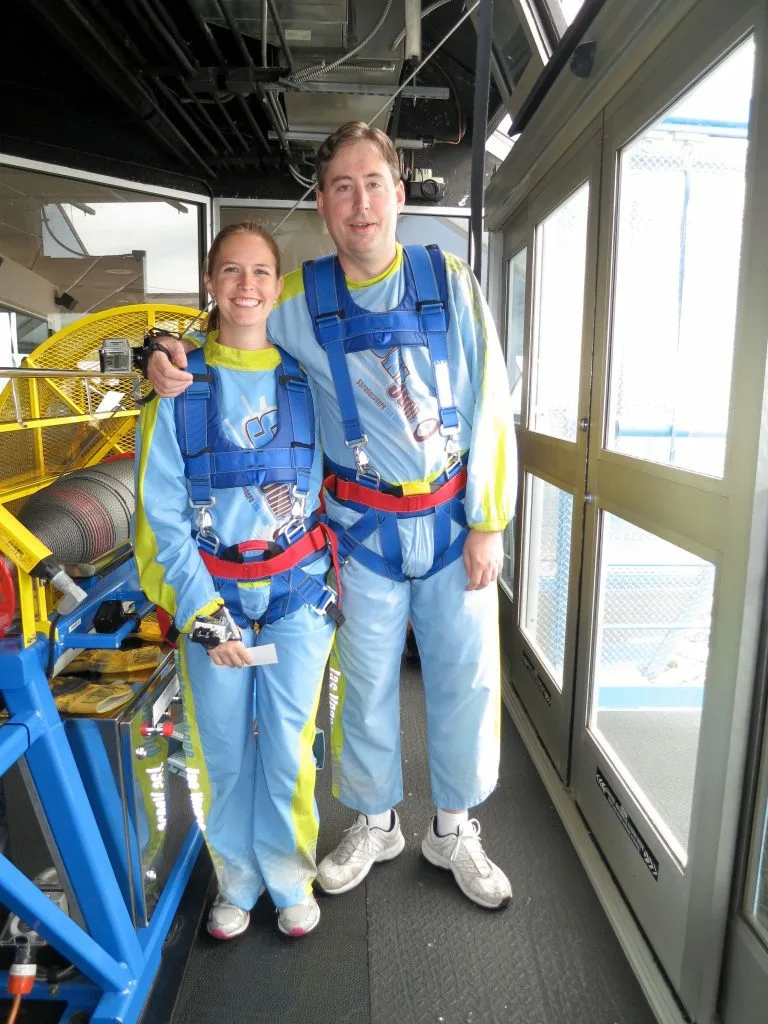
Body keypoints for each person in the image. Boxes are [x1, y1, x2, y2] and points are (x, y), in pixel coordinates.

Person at [145, 122, 518, 911]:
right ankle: (378, 821)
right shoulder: (296, 297)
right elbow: (229, 321)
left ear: (398, 193)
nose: (360, 202)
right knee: (367, 683)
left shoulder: (449, 281)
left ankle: (453, 829)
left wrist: (490, 520)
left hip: (454, 522)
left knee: (463, 680)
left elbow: (491, 399)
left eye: (372, 184)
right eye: (341, 187)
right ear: (322, 204)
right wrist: (162, 348)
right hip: (361, 534)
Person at [132, 222, 340, 940]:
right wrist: (204, 614)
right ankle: (237, 880)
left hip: (295, 598)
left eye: (260, 272)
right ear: (211, 285)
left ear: (277, 286)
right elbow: (160, 515)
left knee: (289, 747)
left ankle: (287, 875)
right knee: (219, 749)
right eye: (231, 271)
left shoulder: (308, 383)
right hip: (211, 602)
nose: (246, 286)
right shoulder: (175, 390)